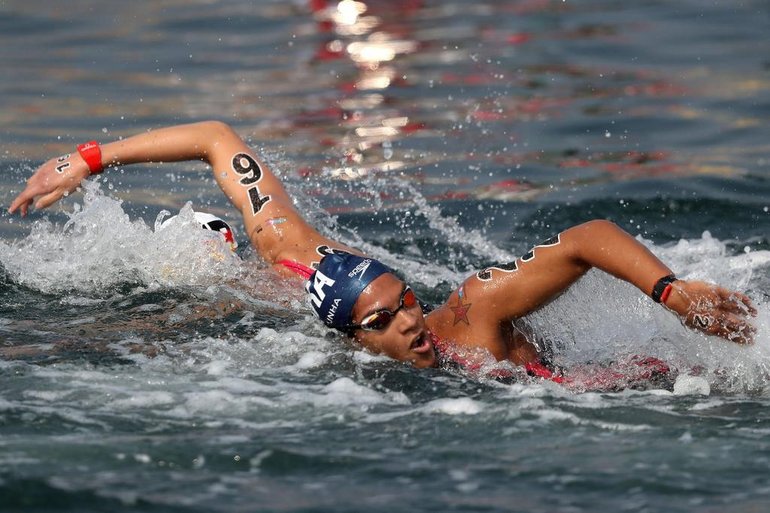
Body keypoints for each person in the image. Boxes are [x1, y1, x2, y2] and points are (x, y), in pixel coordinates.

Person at [8, 121, 757, 382]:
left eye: (406, 303)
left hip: (643, 383)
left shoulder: (289, 247)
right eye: (393, 320)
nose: (413, 322)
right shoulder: (266, 303)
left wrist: (87, 157)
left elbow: (215, 137)